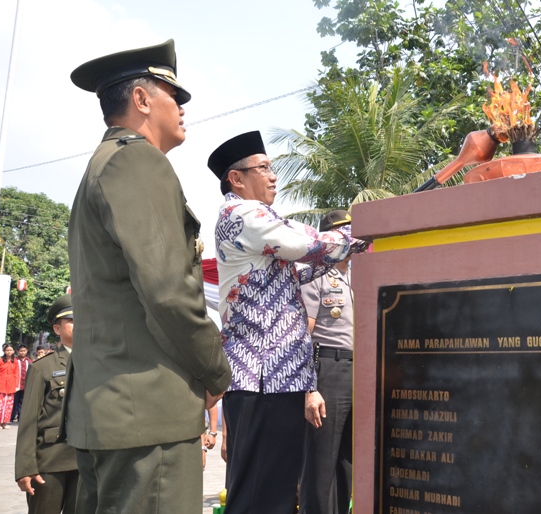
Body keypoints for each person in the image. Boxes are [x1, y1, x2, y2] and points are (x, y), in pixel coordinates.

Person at [66, 39, 231, 513]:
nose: (182, 108)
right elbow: (168, 292)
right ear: (141, 100)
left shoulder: (102, 166)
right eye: (172, 95)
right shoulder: (137, 161)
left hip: (115, 410)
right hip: (148, 412)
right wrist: (216, 370)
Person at [208, 131, 367, 514]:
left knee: (275, 492)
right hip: (262, 377)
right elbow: (303, 245)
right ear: (236, 178)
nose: (273, 175)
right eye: (263, 167)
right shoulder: (242, 213)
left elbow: (300, 268)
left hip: (279, 378)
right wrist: (364, 233)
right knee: (259, 496)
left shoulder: (255, 224)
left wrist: (349, 245)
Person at [299, 210, 355, 514]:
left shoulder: (357, 275)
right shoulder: (316, 273)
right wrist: (310, 389)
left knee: (346, 462)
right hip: (326, 370)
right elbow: (302, 335)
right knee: (320, 464)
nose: (349, 237)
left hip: (355, 371)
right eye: (342, 231)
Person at [15, 294, 78, 514]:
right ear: (57, 329)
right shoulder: (42, 367)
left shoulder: (99, 363)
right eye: (72, 320)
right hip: (50, 463)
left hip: (88, 461)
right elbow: (28, 420)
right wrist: (25, 468)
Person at [0, 343, 18, 429]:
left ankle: (5, 422)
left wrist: (16, 386)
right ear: (4, 351)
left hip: (11, 385)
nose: (9, 352)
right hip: (0, 385)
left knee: (8, 405)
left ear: (13, 351)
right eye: (7, 350)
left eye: (10, 350)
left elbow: (17, 374)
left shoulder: (15, 361)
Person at [12, 344, 32, 422]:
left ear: (26, 351)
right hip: (16, 385)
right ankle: (12, 417)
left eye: (24, 351)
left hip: (25, 385)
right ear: (18, 351)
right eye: (21, 351)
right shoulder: (14, 360)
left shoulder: (29, 361)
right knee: (14, 401)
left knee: (22, 402)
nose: (22, 352)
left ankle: (20, 417)